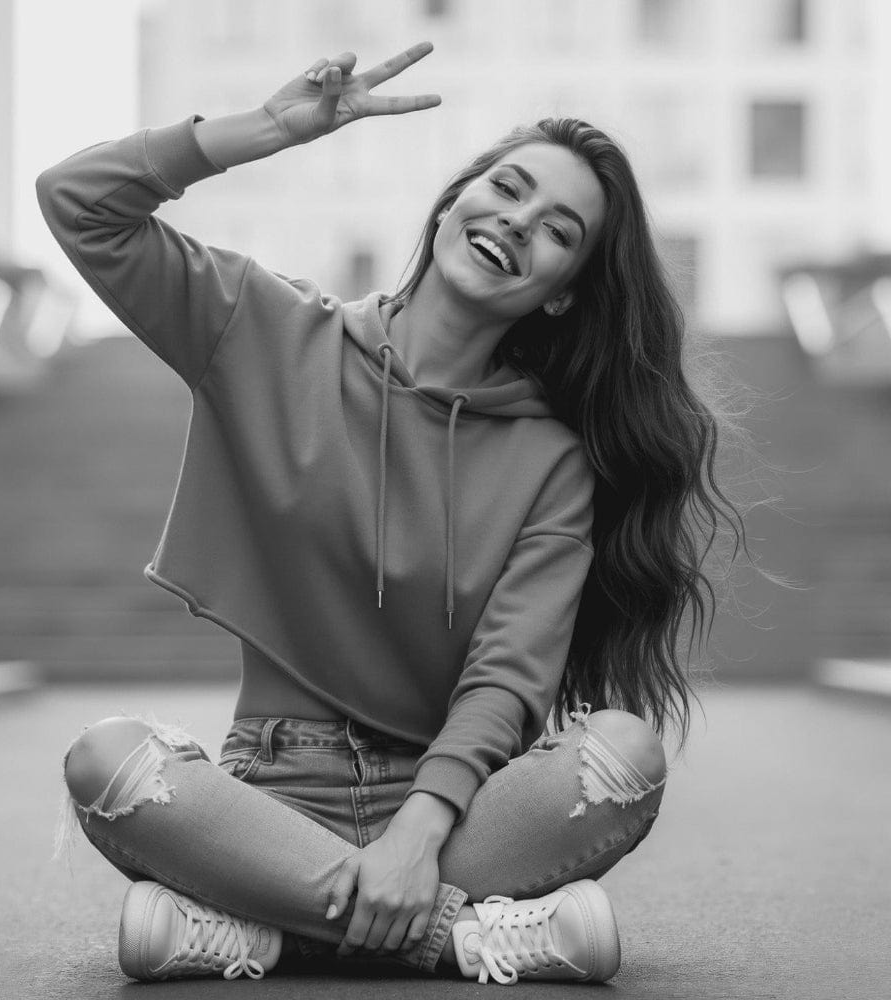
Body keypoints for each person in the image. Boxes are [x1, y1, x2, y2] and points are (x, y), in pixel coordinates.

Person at [37, 41, 747, 986]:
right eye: (505, 187)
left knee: (622, 758)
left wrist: (418, 832)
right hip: (271, 795)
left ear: (564, 289)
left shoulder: (552, 458)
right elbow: (78, 203)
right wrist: (266, 131)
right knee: (107, 763)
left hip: (453, 809)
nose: (516, 222)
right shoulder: (265, 329)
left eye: (559, 229)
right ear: (455, 198)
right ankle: (457, 939)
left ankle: (268, 928)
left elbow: (509, 675)